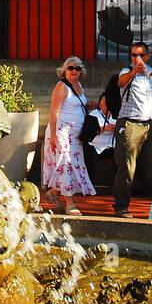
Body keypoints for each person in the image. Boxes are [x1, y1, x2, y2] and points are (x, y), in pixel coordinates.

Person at [112, 41, 152, 219]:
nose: (137, 58)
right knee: (127, 167)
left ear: (147, 56)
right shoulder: (126, 71)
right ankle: (121, 206)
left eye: (140, 55)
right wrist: (134, 71)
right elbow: (120, 83)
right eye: (134, 55)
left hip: (149, 124)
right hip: (130, 123)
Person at [42, 55, 96, 211]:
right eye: (71, 68)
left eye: (77, 68)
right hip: (61, 132)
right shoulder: (61, 86)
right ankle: (70, 203)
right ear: (64, 70)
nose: (74, 71)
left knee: (73, 165)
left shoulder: (79, 86)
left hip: (75, 135)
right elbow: (54, 112)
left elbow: (78, 106)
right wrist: (52, 135)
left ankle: (54, 192)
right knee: (65, 163)